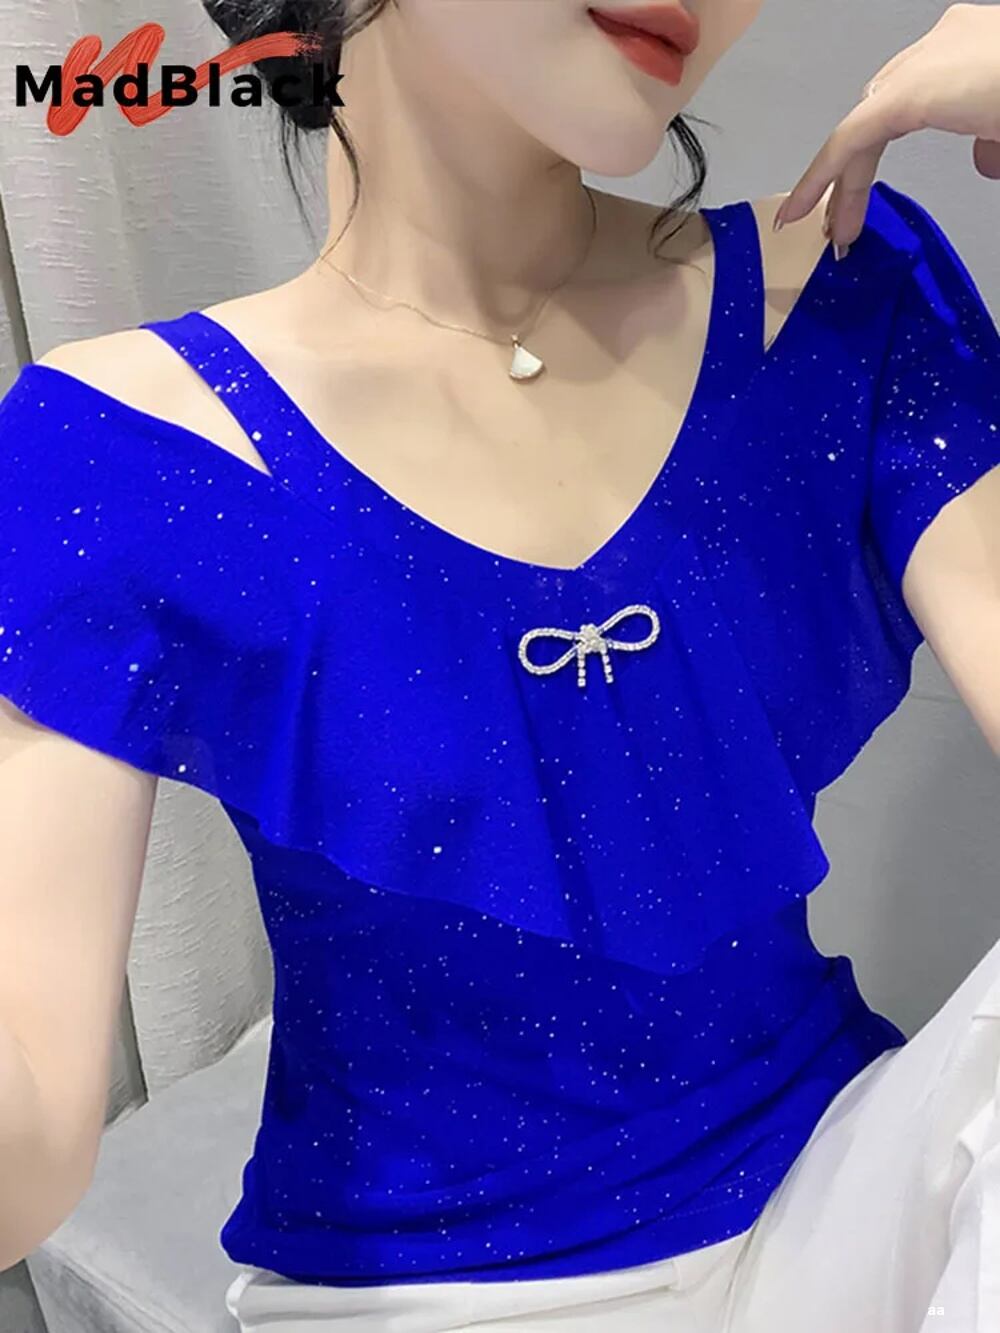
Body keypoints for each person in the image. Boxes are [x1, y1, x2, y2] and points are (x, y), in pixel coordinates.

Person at [0, 1, 999, 1330]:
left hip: (843, 1188)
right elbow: (28, 1118)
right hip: (430, 1284)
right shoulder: (118, 448)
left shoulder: (841, 286)